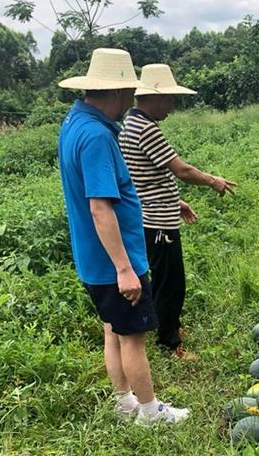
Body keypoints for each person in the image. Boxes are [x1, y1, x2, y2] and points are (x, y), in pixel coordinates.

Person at [57, 48, 190, 426]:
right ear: (117, 92)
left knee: (112, 331)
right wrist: (125, 268)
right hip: (114, 260)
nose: (131, 98)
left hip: (92, 258)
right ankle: (150, 412)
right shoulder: (97, 135)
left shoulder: (73, 122)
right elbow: (101, 208)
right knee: (133, 338)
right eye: (130, 91)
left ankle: (124, 401)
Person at [119, 64, 236, 359]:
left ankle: (167, 326)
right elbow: (181, 169)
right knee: (171, 283)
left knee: (164, 278)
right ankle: (169, 343)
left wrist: (176, 202)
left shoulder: (131, 123)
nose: (171, 106)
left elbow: (144, 175)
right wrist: (213, 181)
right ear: (154, 98)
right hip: (157, 222)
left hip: (155, 213)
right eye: (169, 99)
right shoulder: (145, 129)